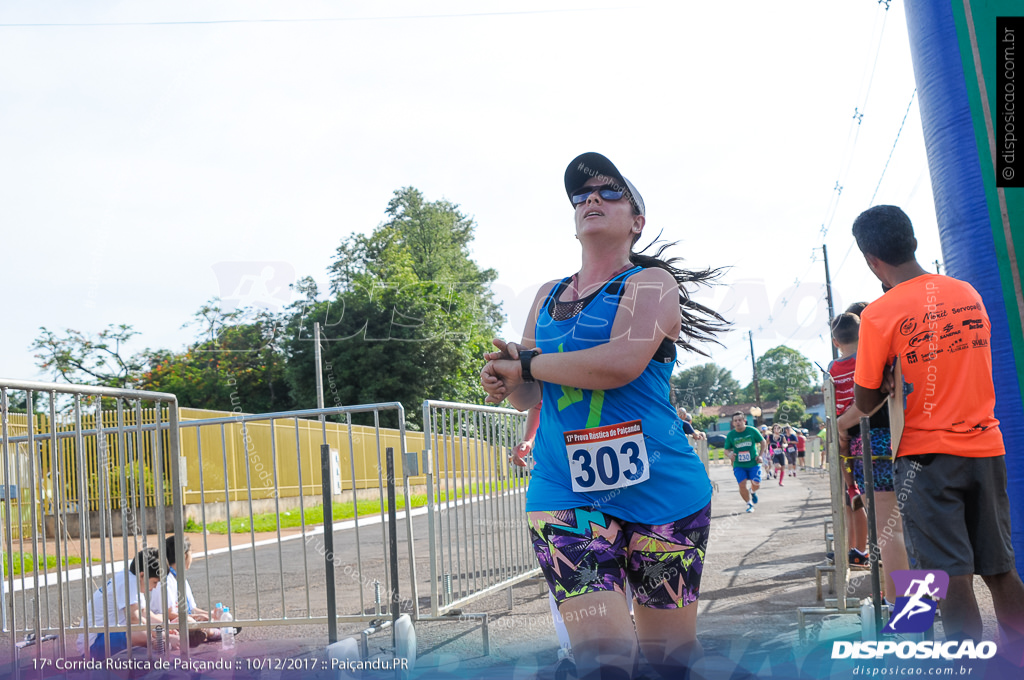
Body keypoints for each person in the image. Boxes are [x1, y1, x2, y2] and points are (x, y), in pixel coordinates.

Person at [480, 152, 727, 678]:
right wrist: (507, 379)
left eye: (609, 192)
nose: (591, 199)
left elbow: (620, 364)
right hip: (564, 493)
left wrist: (527, 364)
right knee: (604, 659)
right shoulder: (548, 295)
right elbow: (530, 396)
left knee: (669, 660)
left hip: (663, 493)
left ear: (636, 222)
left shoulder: (652, 284)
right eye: (582, 195)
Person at [851, 205, 1024, 647]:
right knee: (1001, 570)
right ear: (912, 240)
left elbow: (866, 401)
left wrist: (888, 376)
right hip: (986, 447)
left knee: (951, 581)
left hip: (926, 461)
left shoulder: (879, 313)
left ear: (871, 260)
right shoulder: (966, 292)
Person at [834, 312, 909, 592]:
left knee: (889, 532)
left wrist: (840, 430)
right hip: (906, 437)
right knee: (913, 528)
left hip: (868, 445)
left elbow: (847, 414)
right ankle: (928, 603)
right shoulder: (887, 358)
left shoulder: (842, 369)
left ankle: (900, 605)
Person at [828, 312, 871, 571]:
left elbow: (830, 399)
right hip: (866, 424)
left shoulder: (833, 368)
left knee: (846, 459)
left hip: (844, 424)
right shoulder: (867, 361)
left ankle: (850, 485)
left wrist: (838, 426)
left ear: (836, 342)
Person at [77, 547, 175, 659]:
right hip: (93, 646)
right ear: (142, 575)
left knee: (156, 625)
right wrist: (164, 636)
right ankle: (156, 653)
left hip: (106, 638)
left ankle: (154, 653)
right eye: (155, 582)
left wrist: (170, 626)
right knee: (141, 633)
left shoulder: (132, 579)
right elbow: (134, 619)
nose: (155, 587)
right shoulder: (128, 582)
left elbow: (146, 615)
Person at [150, 536, 222, 643]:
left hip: (184, 619)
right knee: (189, 621)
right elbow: (169, 614)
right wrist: (198, 617)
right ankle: (212, 632)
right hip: (166, 622)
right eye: (191, 553)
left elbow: (193, 608)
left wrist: (210, 615)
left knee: (216, 616)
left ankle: (211, 629)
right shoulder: (165, 580)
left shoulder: (180, 578)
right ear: (184, 555)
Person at [723, 412, 765, 513]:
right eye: (735, 421)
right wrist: (729, 455)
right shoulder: (731, 435)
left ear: (744, 421)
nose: (738, 422)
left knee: (756, 483)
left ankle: (753, 491)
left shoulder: (752, 431)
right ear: (733, 423)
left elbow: (763, 442)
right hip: (739, 464)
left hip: (753, 463)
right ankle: (749, 503)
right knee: (742, 484)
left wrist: (760, 455)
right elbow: (726, 449)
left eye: (740, 420)